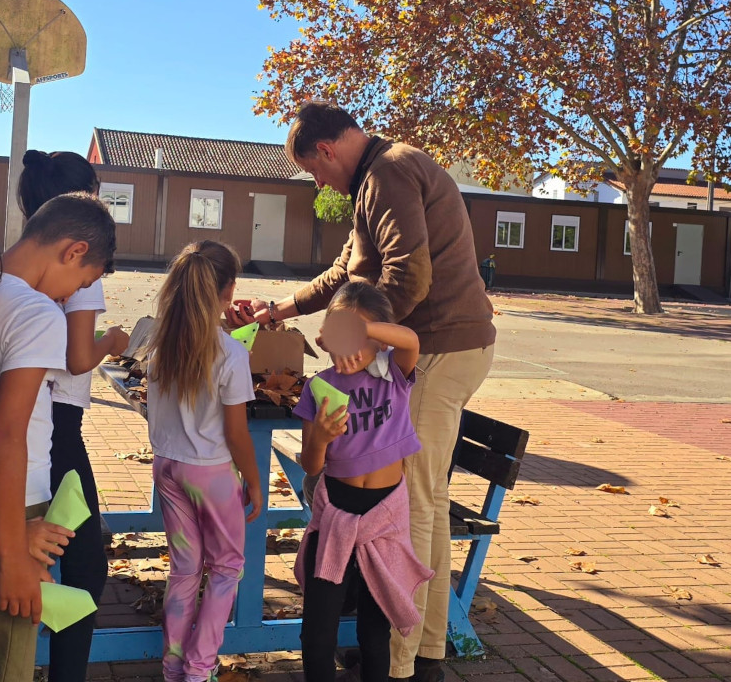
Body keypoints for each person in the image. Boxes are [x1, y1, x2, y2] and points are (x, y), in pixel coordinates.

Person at [229, 100, 496, 682]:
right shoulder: (376, 180)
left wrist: (362, 346)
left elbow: (408, 275)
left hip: (441, 346)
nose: (320, 184)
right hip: (443, 345)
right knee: (426, 502)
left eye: (315, 171)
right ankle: (426, 651)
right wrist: (280, 310)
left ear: (326, 150)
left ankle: (403, 666)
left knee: (413, 505)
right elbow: (345, 274)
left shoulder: (388, 173)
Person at [0, 192, 117, 682]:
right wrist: (14, 555)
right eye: (78, 284)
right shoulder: (36, 312)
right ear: (74, 251)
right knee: (0, 664)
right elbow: (6, 433)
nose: (68, 297)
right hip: (10, 507)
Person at [19, 150, 130, 681]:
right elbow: (76, 357)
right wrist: (112, 339)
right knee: (83, 562)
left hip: (33, 424)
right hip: (57, 425)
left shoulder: (16, 259)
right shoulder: (83, 267)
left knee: (33, 545)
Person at [293, 282, 435, 682]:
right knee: (318, 630)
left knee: (375, 629)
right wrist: (319, 437)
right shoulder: (319, 387)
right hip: (336, 516)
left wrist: (360, 331)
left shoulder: (393, 372)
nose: (350, 351)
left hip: (385, 518)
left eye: (359, 338)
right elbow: (310, 464)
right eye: (341, 339)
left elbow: (410, 339)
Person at [146, 240, 262, 682]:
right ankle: (199, 668)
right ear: (229, 290)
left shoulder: (161, 347)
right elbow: (236, 433)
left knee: (185, 569)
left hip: (168, 466)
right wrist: (252, 480)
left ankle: (173, 667)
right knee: (227, 567)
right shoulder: (231, 353)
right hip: (210, 472)